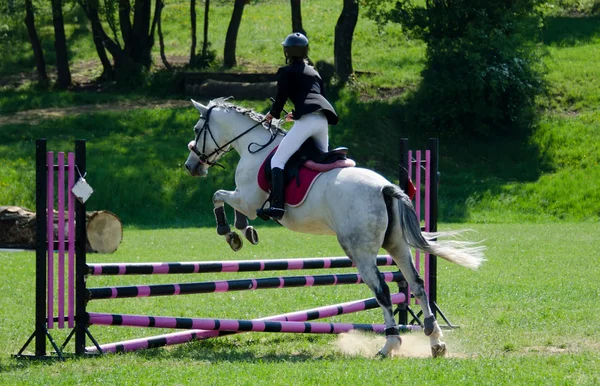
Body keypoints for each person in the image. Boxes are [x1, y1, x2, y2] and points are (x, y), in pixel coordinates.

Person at [257, 32, 339, 221]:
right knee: (321, 162)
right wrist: (298, 113)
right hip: (321, 119)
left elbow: (281, 97)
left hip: (308, 120)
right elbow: (316, 97)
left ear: (287, 51)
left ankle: (277, 206)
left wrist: (272, 114)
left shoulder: (286, 71)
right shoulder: (314, 72)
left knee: (278, 160)